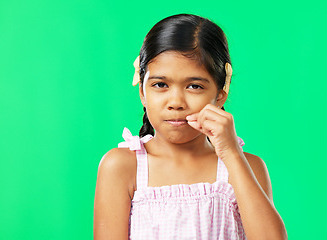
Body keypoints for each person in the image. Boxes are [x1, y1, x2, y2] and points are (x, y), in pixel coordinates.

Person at [93, 14, 287, 240]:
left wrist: (232, 154)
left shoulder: (246, 168)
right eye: (160, 85)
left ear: (221, 93)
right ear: (142, 92)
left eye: (194, 86)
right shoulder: (121, 167)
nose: (176, 102)